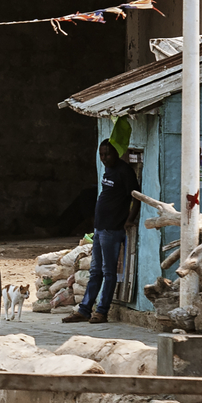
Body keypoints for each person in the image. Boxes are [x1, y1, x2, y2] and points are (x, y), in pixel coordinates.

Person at [73, 122, 139, 325]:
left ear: (116, 154)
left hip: (113, 229)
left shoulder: (124, 171)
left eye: (107, 154)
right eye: (101, 155)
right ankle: (85, 309)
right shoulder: (108, 172)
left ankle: (102, 311)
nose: (104, 158)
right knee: (95, 271)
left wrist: (129, 220)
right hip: (100, 228)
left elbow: (136, 197)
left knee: (109, 272)